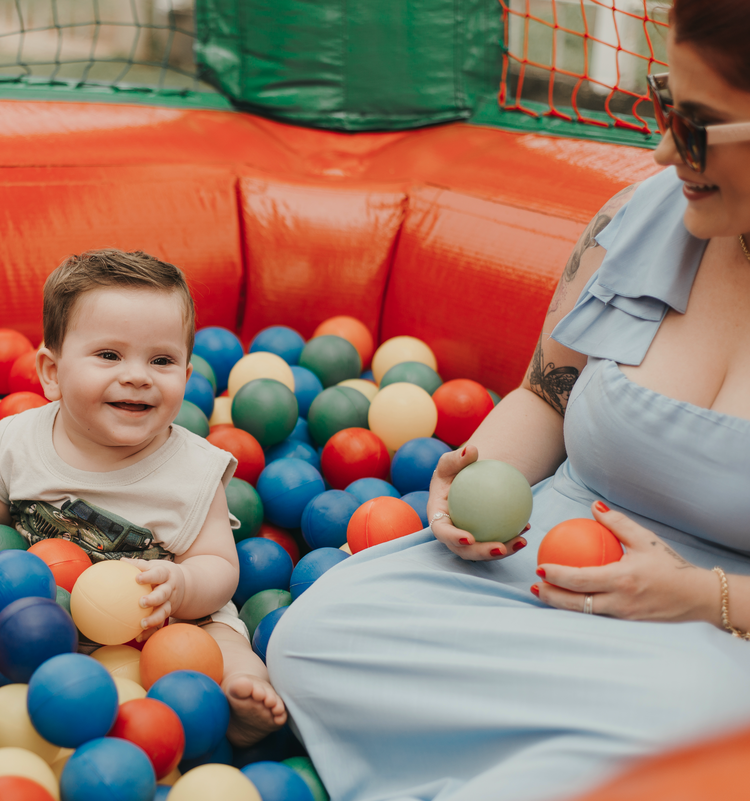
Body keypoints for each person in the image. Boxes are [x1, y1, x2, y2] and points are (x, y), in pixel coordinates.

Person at [268, 1, 750, 799]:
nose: (663, 147)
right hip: (546, 568)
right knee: (317, 637)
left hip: (715, 632)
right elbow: (546, 395)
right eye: (666, 102)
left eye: (697, 125)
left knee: (697, 730)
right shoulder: (638, 220)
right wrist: (476, 477)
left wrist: (703, 596)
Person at [0, 249, 287, 746]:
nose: (137, 375)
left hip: (168, 625)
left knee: (226, 645)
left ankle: (240, 704)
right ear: (51, 373)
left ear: (185, 377)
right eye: (109, 355)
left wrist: (181, 585)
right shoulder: (23, 440)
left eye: (162, 360)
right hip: (45, 619)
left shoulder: (194, 471)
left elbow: (219, 567)